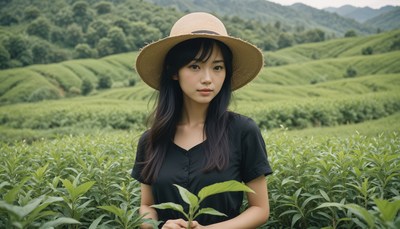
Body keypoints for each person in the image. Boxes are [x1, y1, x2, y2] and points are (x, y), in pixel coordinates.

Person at [131, 12, 273, 229]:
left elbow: (260, 209)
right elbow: (147, 206)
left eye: (217, 67)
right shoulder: (152, 140)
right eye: (195, 66)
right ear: (174, 72)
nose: (208, 79)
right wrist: (158, 226)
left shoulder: (243, 131)